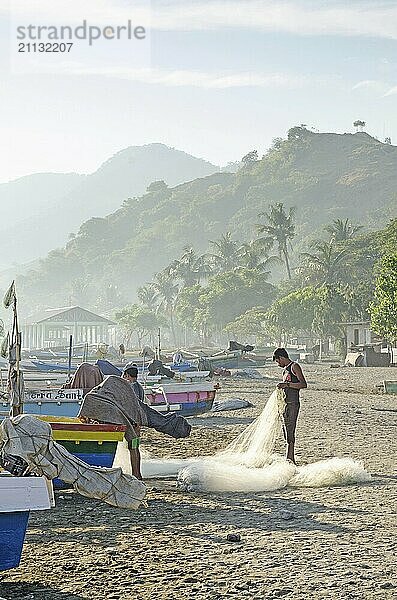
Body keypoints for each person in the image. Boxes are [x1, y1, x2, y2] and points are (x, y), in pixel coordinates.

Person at [273, 347, 307, 464]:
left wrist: (287, 385)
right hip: (286, 403)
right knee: (286, 429)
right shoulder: (285, 370)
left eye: (278, 361)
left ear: (282, 358)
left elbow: (303, 384)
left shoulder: (294, 367)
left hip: (293, 403)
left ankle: (291, 458)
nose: (278, 364)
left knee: (291, 429)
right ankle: (289, 457)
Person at [122, 364, 145, 480]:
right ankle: (138, 473)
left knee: (132, 448)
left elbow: (133, 405)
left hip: (133, 423)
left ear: (127, 375)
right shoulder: (139, 387)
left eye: (124, 376)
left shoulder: (131, 387)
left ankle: (135, 474)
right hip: (137, 423)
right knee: (136, 448)